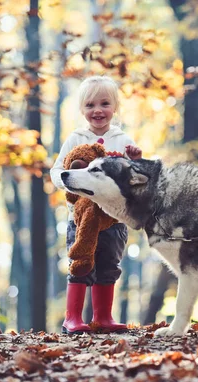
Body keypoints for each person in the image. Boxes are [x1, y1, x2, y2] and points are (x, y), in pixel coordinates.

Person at [50, 76, 142, 333]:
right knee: (81, 260)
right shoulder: (76, 138)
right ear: (82, 110)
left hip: (113, 218)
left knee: (109, 264)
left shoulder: (122, 139)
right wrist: (69, 184)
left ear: (115, 108)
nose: (98, 110)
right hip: (79, 219)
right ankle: (73, 317)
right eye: (90, 105)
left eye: (104, 104)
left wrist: (136, 159)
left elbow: (132, 178)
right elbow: (57, 170)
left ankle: (103, 316)